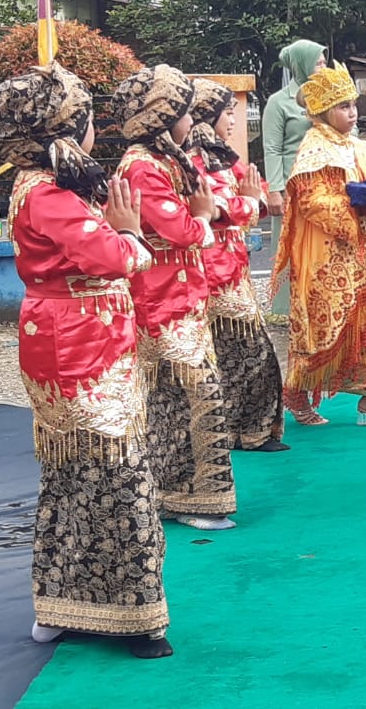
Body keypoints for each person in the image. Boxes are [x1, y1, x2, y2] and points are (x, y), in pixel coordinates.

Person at [0, 63, 172, 659]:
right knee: (116, 474)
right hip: (77, 342)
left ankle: (65, 604)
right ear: (70, 129)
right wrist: (128, 233)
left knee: (81, 475)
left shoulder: (46, 188)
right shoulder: (44, 195)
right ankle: (130, 615)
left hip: (78, 336)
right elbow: (115, 258)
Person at [115, 65, 237, 531]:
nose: (193, 121)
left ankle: (191, 496)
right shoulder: (142, 168)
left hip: (183, 300)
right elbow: (182, 230)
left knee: (191, 397)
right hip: (160, 303)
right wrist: (205, 214)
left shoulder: (166, 161)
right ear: (161, 118)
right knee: (185, 397)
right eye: (184, 112)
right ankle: (185, 499)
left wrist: (205, 215)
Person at [273, 64, 366, 428]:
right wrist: (356, 208)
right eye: (343, 106)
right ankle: (297, 394)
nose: (352, 113)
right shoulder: (314, 149)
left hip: (363, 250)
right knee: (320, 326)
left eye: (353, 105)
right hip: (326, 255)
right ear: (322, 112)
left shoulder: (362, 148)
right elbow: (312, 202)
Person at [184, 79, 286, 452]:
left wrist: (247, 202)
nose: (233, 120)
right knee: (249, 355)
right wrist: (249, 203)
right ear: (206, 116)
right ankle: (245, 432)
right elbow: (220, 209)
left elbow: (244, 199)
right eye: (228, 112)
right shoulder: (195, 161)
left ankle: (246, 432)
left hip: (232, 269)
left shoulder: (220, 156)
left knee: (242, 355)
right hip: (213, 274)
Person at [263, 40, 327, 316]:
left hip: (327, 184)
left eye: (325, 61)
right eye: (318, 62)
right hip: (294, 186)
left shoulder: (330, 95)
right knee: (291, 246)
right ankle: (286, 308)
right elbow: (273, 148)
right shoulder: (279, 103)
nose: (323, 66)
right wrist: (275, 189)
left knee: (323, 245)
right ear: (301, 65)